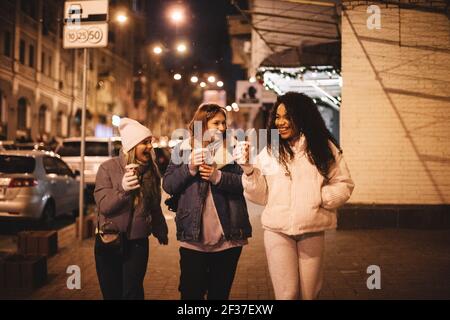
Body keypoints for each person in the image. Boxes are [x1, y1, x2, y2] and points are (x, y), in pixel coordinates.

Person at [237, 92, 354, 300]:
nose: (280, 122)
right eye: (277, 117)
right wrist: (248, 170)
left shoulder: (323, 148)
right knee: (287, 294)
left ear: (301, 117)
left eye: (286, 117)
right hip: (277, 230)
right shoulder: (271, 151)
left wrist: (320, 197)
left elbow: (344, 184)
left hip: (312, 229)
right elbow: (261, 196)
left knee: (310, 294)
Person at [162, 103, 252, 300]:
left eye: (223, 123)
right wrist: (190, 168)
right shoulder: (183, 149)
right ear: (202, 124)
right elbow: (168, 185)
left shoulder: (234, 149)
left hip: (228, 237)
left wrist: (217, 176)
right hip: (193, 240)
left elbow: (244, 184)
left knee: (219, 295)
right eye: (216, 123)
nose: (221, 127)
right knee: (190, 294)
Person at [94, 118, 168, 300]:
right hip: (109, 240)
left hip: (137, 243)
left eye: (150, 142)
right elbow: (104, 205)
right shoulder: (107, 168)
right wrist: (123, 190)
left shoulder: (151, 171)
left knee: (132, 292)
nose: (150, 146)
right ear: (131, 146)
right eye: (145, 142)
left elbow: (154, 205)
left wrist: (160, 229)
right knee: (111, 293)